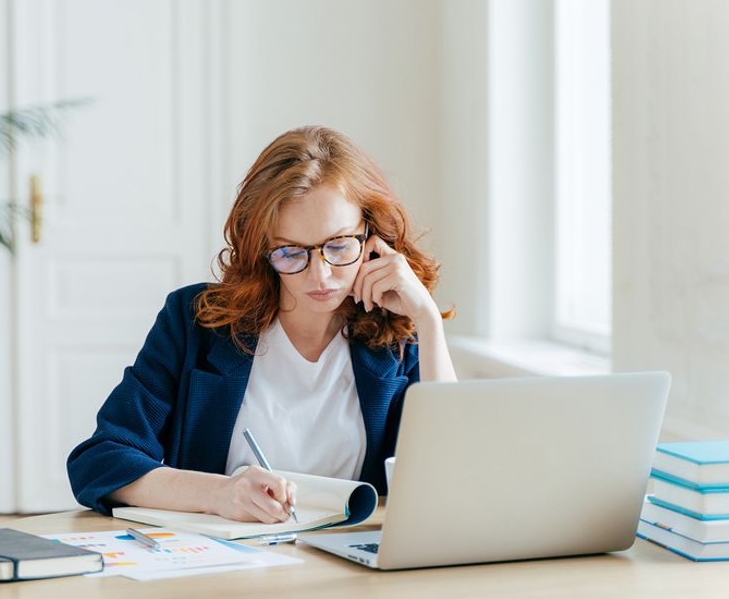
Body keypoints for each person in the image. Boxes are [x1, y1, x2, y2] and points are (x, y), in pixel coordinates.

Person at [66, 125, 457, 524]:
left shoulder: (396, 335)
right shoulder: (195, 322)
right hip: (224, 569)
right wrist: (220, 494)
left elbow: (450, 479)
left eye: (339, 246)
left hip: (346, 567)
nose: (319, 276)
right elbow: (99, 462)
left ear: (371, 236)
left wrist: (427, 321)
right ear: (261, 249)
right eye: (289, 252)